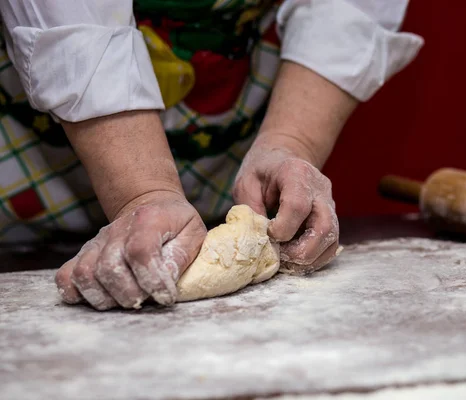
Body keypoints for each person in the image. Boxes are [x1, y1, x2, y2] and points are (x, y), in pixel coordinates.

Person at [0, 0, 423, 310]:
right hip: (37, 147)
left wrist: (288, 142)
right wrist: (143, 192)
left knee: (175, 250)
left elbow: (344, 10)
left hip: (223, 122)